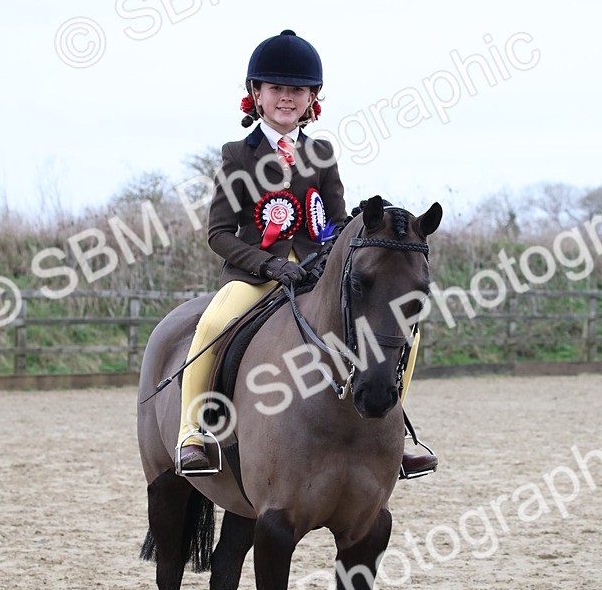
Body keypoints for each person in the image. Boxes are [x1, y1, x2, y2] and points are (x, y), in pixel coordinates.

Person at [176, 28, 437, 478]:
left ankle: (397, 435)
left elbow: (335, 223)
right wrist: (270, 264)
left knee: (401, 333)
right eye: (276, 88)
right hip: (254, 277)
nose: (286, 98)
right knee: (212, 325)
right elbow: (218, 232)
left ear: (312, 97)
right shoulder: (238, 154)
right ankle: (192, 433)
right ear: (255, 94)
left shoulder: (321, 153)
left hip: (318, 276)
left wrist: (351, 239)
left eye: (296, 90)